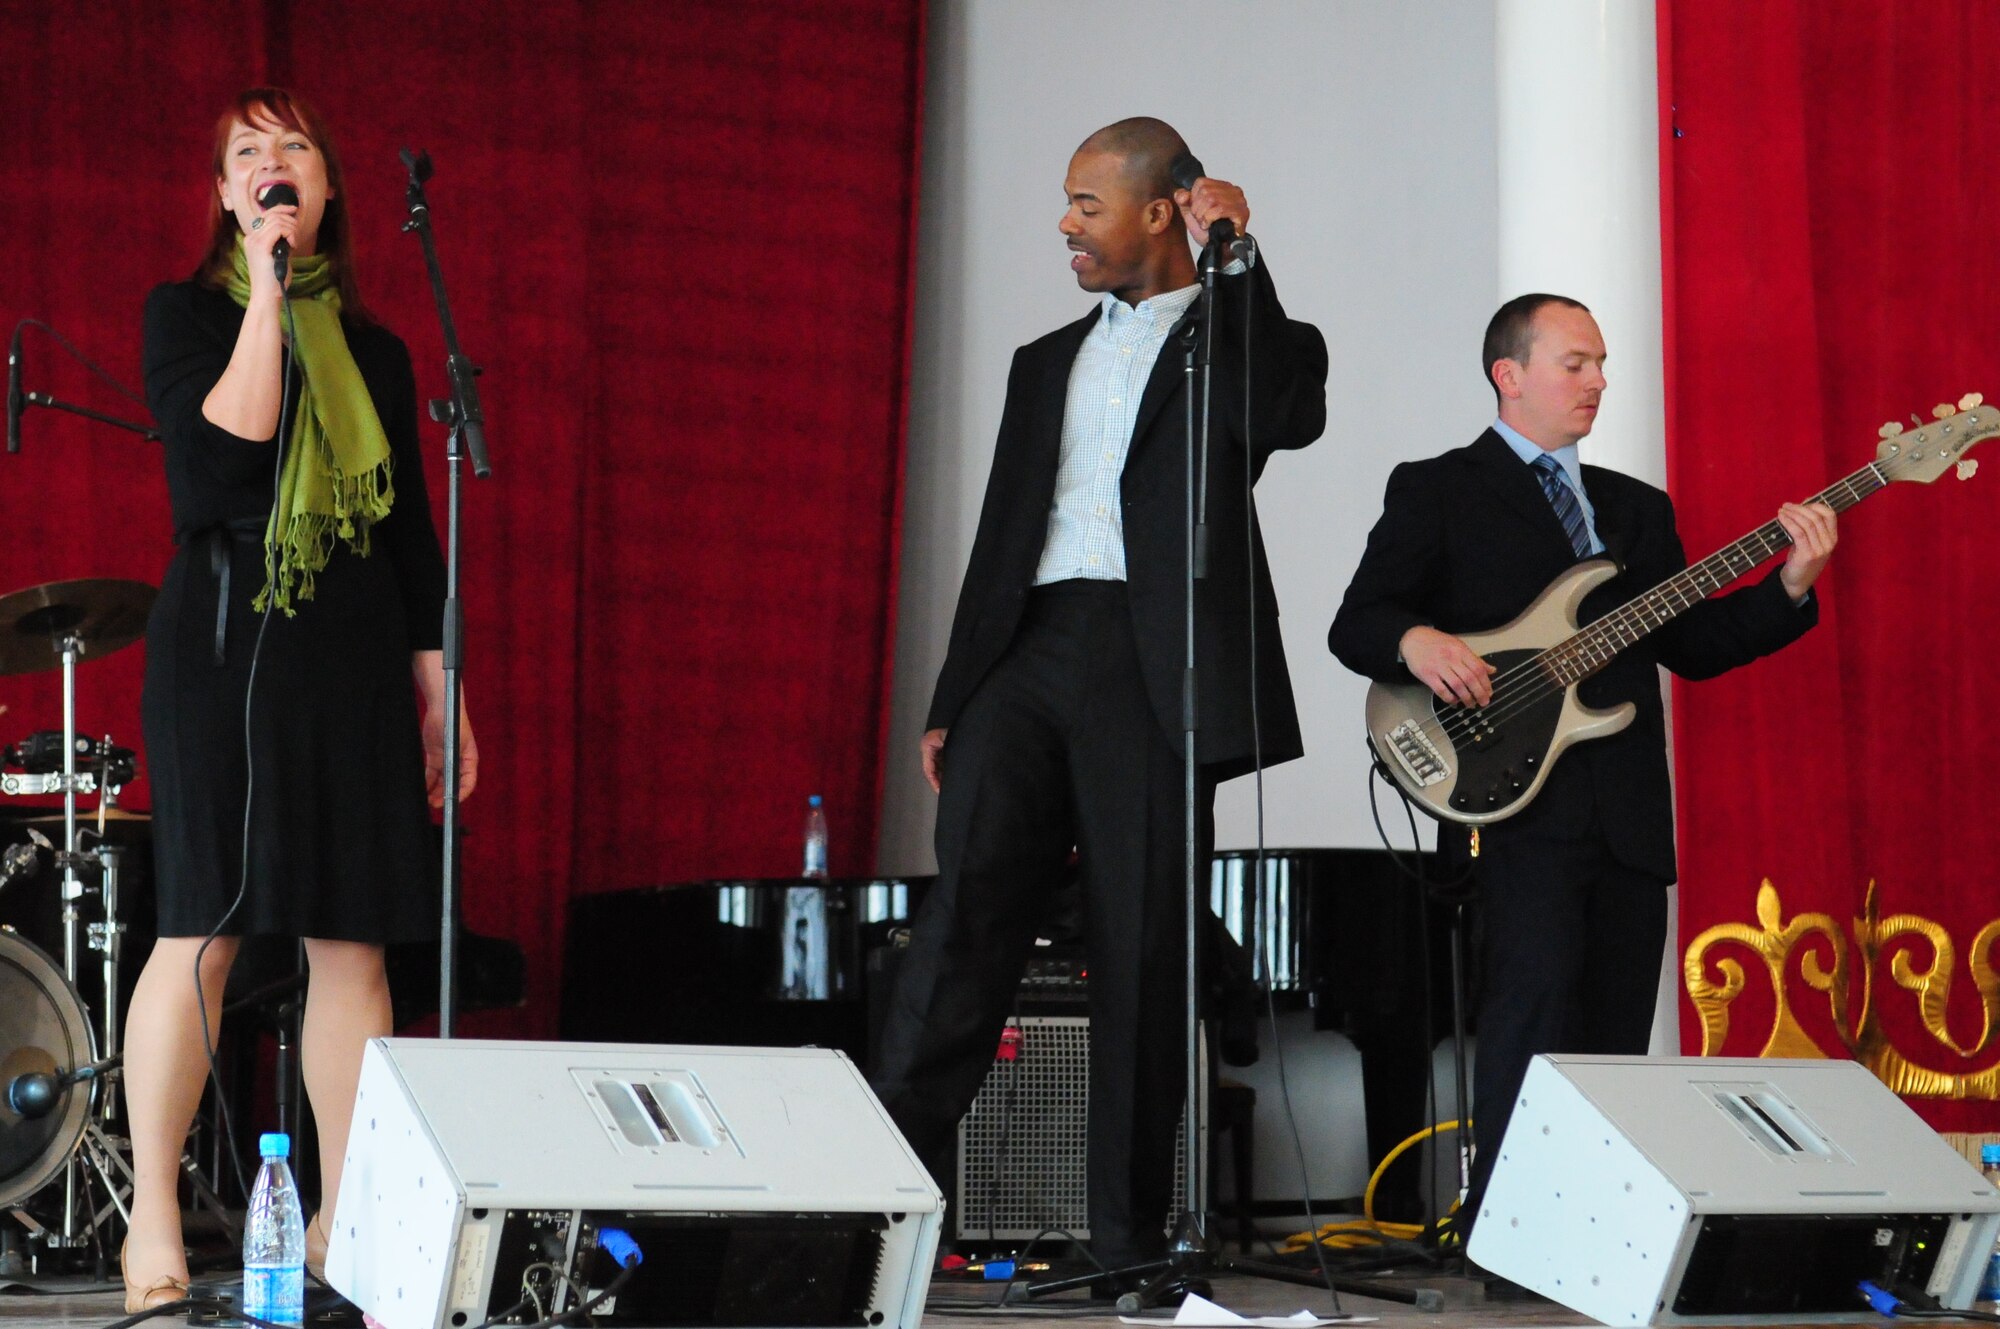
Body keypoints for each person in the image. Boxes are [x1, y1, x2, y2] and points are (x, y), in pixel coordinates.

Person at [870, 117, 1327, 1274]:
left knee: (1141, 952)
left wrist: (1238, 258)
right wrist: (954, 692)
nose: (1065, 225)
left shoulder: (1232, 338)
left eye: (1087, 204)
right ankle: (871, 1214)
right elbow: (999, 538)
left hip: (1151, 659)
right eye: (1067, 203)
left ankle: (1123, 1245)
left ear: (1160, 210)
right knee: (961, 926)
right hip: (1029, 648)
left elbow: (1284, 414)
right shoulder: (1043, 361)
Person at [1327, 293, 1836, 1242]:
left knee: (1613, 1043)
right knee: (1527, 1025)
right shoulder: (1439, 488)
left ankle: (1596, 1236)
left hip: (1629, 814)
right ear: (1509, 374)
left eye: (1601, 363)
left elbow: (1695, 644)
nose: (1598, 380)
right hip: (1515, 809)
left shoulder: (1637, 508)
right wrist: (1418, 640)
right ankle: (1508, 1237)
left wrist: (1791, 585)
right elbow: (1357, 621)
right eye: (1575, 363)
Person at [123, 88, 477, 1312]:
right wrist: (269, 297)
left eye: (295, 147)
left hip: (353, 648)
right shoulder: (185, 313)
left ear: (327, 187)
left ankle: (338, 1221)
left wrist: (440, 691)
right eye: (248, 152)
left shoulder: (379, 350)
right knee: (205, 930)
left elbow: (410, 537)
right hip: (224, 640)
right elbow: (228, 449)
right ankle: (153, 1221)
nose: (274, 165)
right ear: (226, 194)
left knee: (350, 936)